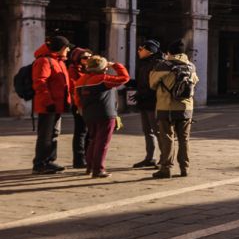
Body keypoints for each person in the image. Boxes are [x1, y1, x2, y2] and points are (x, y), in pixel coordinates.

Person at [149, 40, 198, 179]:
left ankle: (166, 168)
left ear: (169, 52)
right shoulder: (191, 66)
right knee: (184, 139)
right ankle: (184, 168)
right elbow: (195, 82)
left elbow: (152, 84)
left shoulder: (163, 65)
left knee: (167, 138)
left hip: (166, 107)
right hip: (186, 108)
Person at [74, 55, 130, 178]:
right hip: (105, 114)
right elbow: (125, 78)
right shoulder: (103, 79)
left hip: (88, 114)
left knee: (93, 140)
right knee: (102, 142)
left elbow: (77, 100)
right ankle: (98, 169)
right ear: (103, 68)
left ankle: (89, 167)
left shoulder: (80, 81)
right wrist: (115, 65)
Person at [31, 35, 72, 174]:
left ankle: (50, 161)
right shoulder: (44, 61)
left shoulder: (59, 61)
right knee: (45, 135)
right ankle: (40, 164)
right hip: (48, 105)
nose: (68, 50)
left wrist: (67, 102)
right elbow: (40, 83)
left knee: (54, 133)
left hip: (57, 105)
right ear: (61, 47)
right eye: (66, 47)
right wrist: (48, 102)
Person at [132, 39, 163, 168]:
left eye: (141, 49)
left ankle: (164, 159)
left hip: (154, 102)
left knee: (158, 131)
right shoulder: (143, 63)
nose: (138, 51)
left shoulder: (158, 64)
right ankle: (150, 158)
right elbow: (142, 82)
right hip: (144, 101)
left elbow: (155, 85)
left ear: (150, 51)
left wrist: (142, 94)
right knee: (147, 131)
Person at [65, 46, 92, 168]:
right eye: (85, 57)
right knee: (81, 131)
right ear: (78, 59)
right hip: (79, 104)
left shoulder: (89, 69)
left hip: (90, 104)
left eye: (90, 57)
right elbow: (73, 87)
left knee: (89, 132)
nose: (88, 59)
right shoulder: (73, 70)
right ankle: (79, 159)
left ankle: (88, 156)